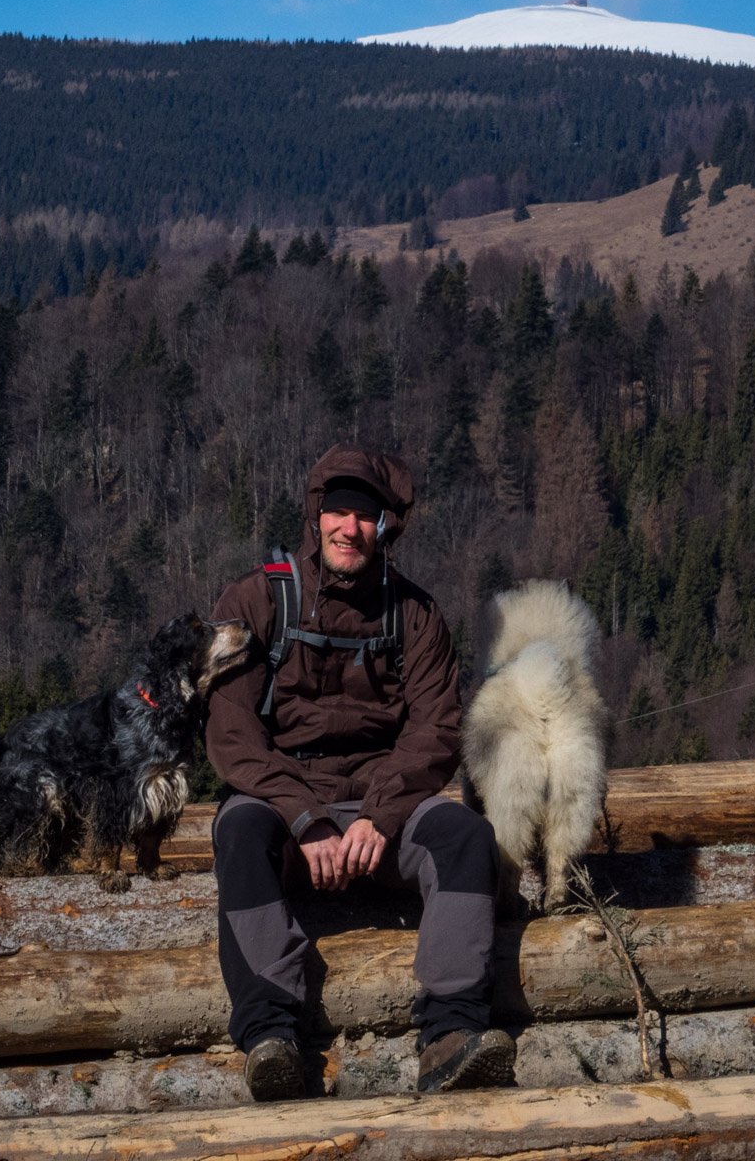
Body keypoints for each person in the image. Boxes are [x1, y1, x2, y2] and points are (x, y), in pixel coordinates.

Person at [205, 443, 514, 1100]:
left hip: (382, 802)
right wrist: (306, 819)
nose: (350, 528)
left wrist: (381, 813)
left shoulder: (416, 615)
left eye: (365, 516)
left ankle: (451, 1035)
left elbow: (437, 730)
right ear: (316, 515)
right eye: (338, 512)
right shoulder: (257, 599)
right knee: (237, 835)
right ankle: (272, 1039)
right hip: (283, 801)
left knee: (466, 837)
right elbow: (232, 735)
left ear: (386, 526)